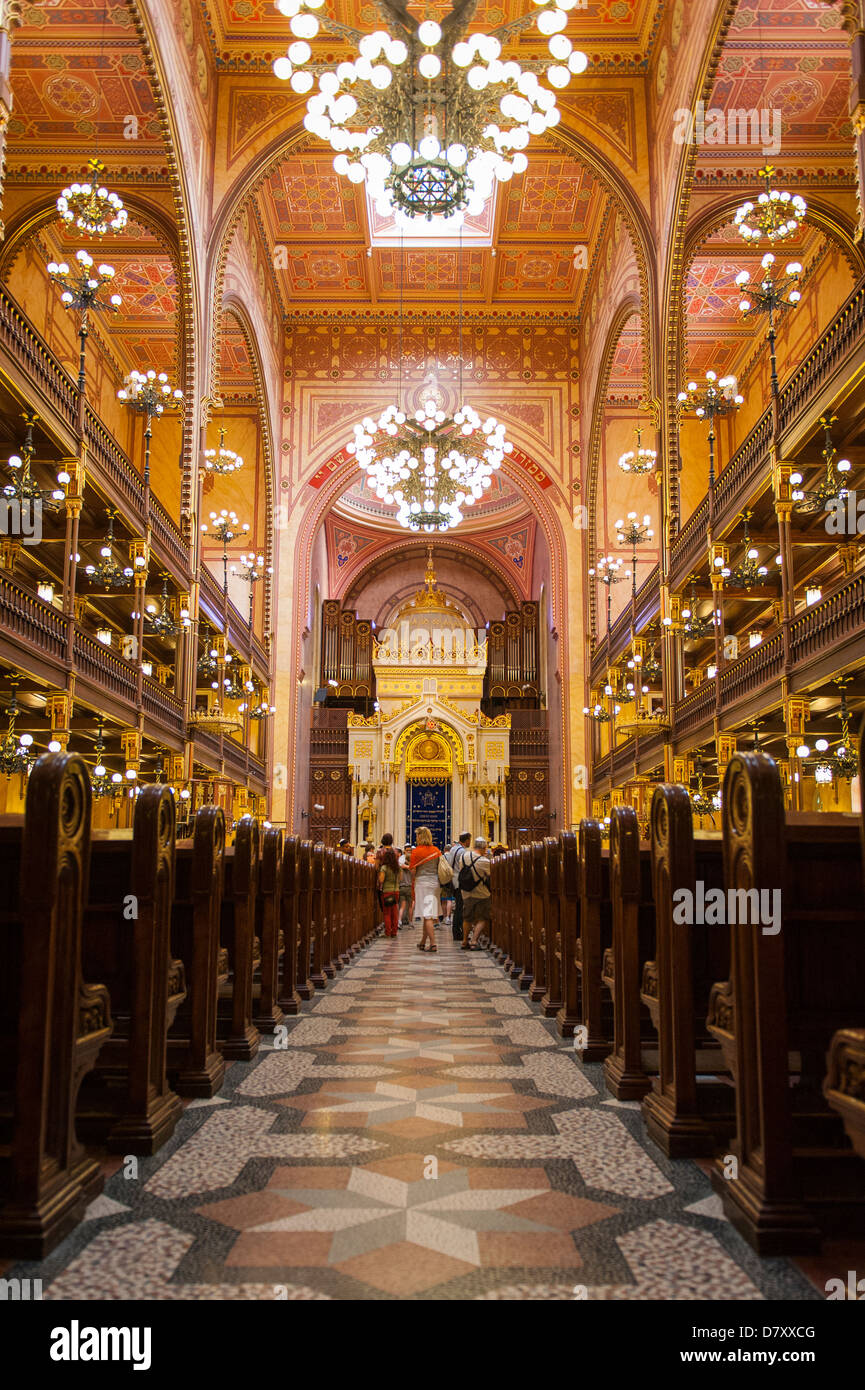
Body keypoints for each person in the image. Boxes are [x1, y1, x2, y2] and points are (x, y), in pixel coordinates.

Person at [410, 825, 442, 953]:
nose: (416, 838)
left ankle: (433, 944)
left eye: (417, 835)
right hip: (434, 883)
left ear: (420, 837)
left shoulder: (417, 851)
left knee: (427, 916)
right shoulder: (436, 850)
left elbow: (413, 871)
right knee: (427, 914)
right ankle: (423, 942)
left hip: (423, 884)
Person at [460, 836, 491, 951]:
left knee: (467, 917)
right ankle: (473, 941)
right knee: (482, 917)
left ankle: (464, 941)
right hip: (481, 893)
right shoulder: (484, 861)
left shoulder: (464, 856)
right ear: (483, 848)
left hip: (466, 892)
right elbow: (490, 874)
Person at [445, 831, 472, 942]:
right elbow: (464, 867)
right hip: (459, 881)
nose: (470, 842)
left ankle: (457, 931)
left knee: (459, 908)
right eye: (469, 840)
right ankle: (457, 933)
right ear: (466, 840)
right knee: (459, 909)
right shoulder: (462, 851)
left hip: (453, 880)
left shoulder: (453, 848)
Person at [376, 836, 401, 938]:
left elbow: (381, 880)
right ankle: (394, 932)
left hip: (387, 891)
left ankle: (387, 932)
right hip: (396, 891)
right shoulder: (397, 868)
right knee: (394, 912)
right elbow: (400, 878)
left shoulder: (384, 867)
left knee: (387, 913)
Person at [398, 845, 413, 928]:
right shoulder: (412, 865)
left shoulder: (401, 863)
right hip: (410, 886)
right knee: (410, 906)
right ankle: (410, 922)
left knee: (402, 906)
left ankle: (399, 921)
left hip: (402, 886)